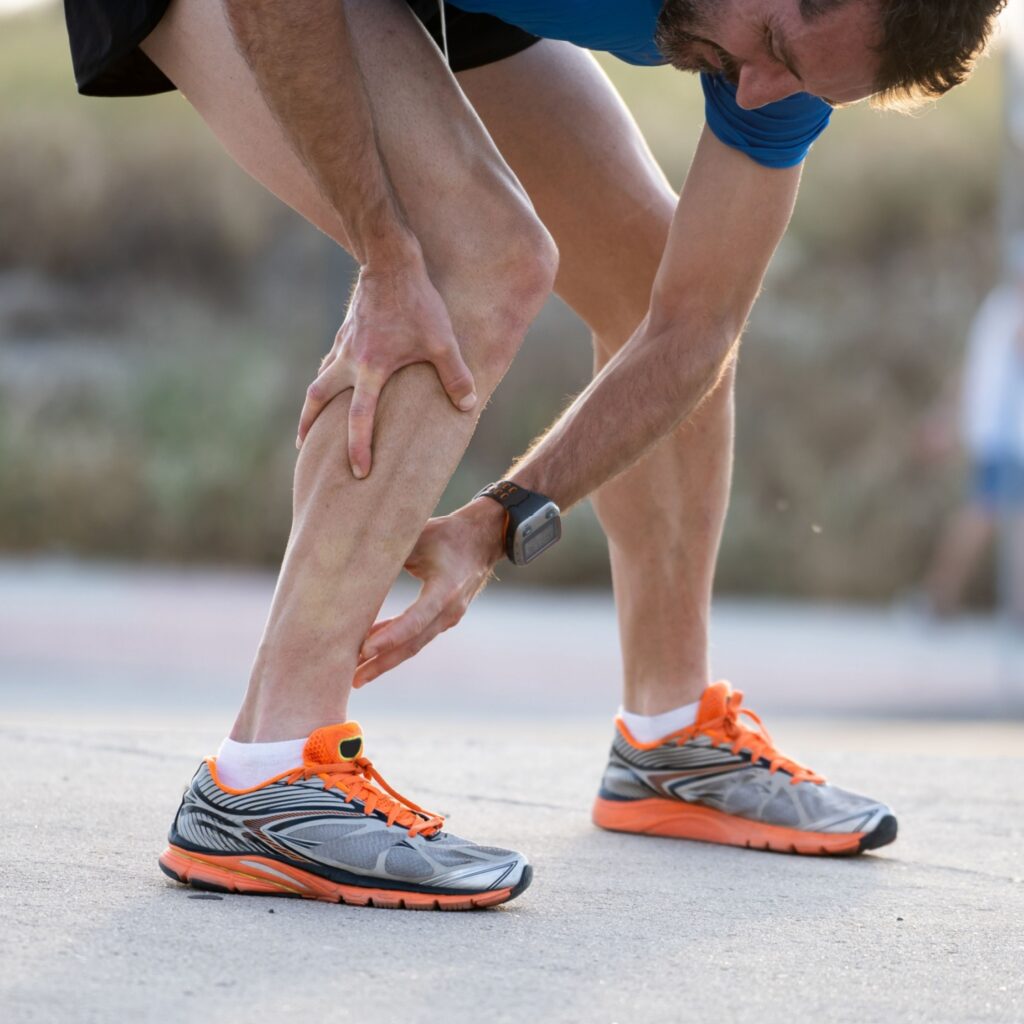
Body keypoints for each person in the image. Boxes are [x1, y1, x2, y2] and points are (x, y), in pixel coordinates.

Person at [61, 0, 1002, 910]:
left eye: (803, 85)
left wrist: (501, 519)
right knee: (475, 253)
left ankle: (670, 739)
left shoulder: (790, 61)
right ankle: (267, 774)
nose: (757, 92)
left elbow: (692, 326)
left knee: (644, 271)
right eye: (772, 50)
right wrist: (389, 255)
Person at [922, 247, 1024, 620]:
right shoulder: (1003, 311)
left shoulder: (998, 309)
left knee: (1012, 521)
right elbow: (975, 371)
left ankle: (1015, 609)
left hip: (1007, 436)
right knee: (982, 514)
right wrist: (945, 416)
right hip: (1003, 435)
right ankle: (939, 598)